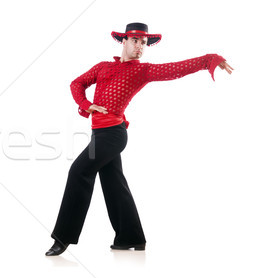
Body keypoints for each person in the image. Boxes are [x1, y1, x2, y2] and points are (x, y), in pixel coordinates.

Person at [45, 22, 233, 256]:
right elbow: (76, 83)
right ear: (123, 41)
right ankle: (130, 237)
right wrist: (86, 105)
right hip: (99, 134)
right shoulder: (102, 67)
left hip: (113, 135)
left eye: (144, 43)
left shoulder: (142, 71)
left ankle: (62, 238)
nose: (140, 46)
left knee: (79, 171)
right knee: (114, 184)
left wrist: (209, 59)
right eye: (135, 40)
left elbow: (176, 68)